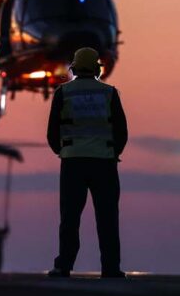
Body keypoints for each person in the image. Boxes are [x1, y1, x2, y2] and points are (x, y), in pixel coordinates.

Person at [47, 47, 128, 278]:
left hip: (73, 163)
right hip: (104, 163)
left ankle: (64, 265)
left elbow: (52, 132)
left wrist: (63, 151)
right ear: (97, 69)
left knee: (70, 218)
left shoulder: (63, 93)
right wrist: (113, 152)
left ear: (73, 68)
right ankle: (110, 268)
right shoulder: (109, 93)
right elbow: (121, 130)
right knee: (108, 218)